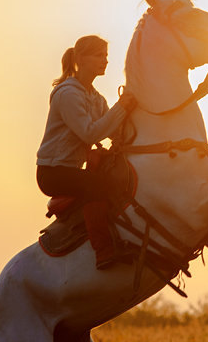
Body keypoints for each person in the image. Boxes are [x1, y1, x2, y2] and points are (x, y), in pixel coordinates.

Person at [36, 35, 137, 269]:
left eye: (106, 56)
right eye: (98, 55)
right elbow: (90, 134)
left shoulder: (95, 97)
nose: (105, 60)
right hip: (52, 173)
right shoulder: (68, 94)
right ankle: (104, 252)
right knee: (96, 185)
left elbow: (112, 130)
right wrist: (121, 107)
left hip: (69, 170)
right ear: (81, 58)